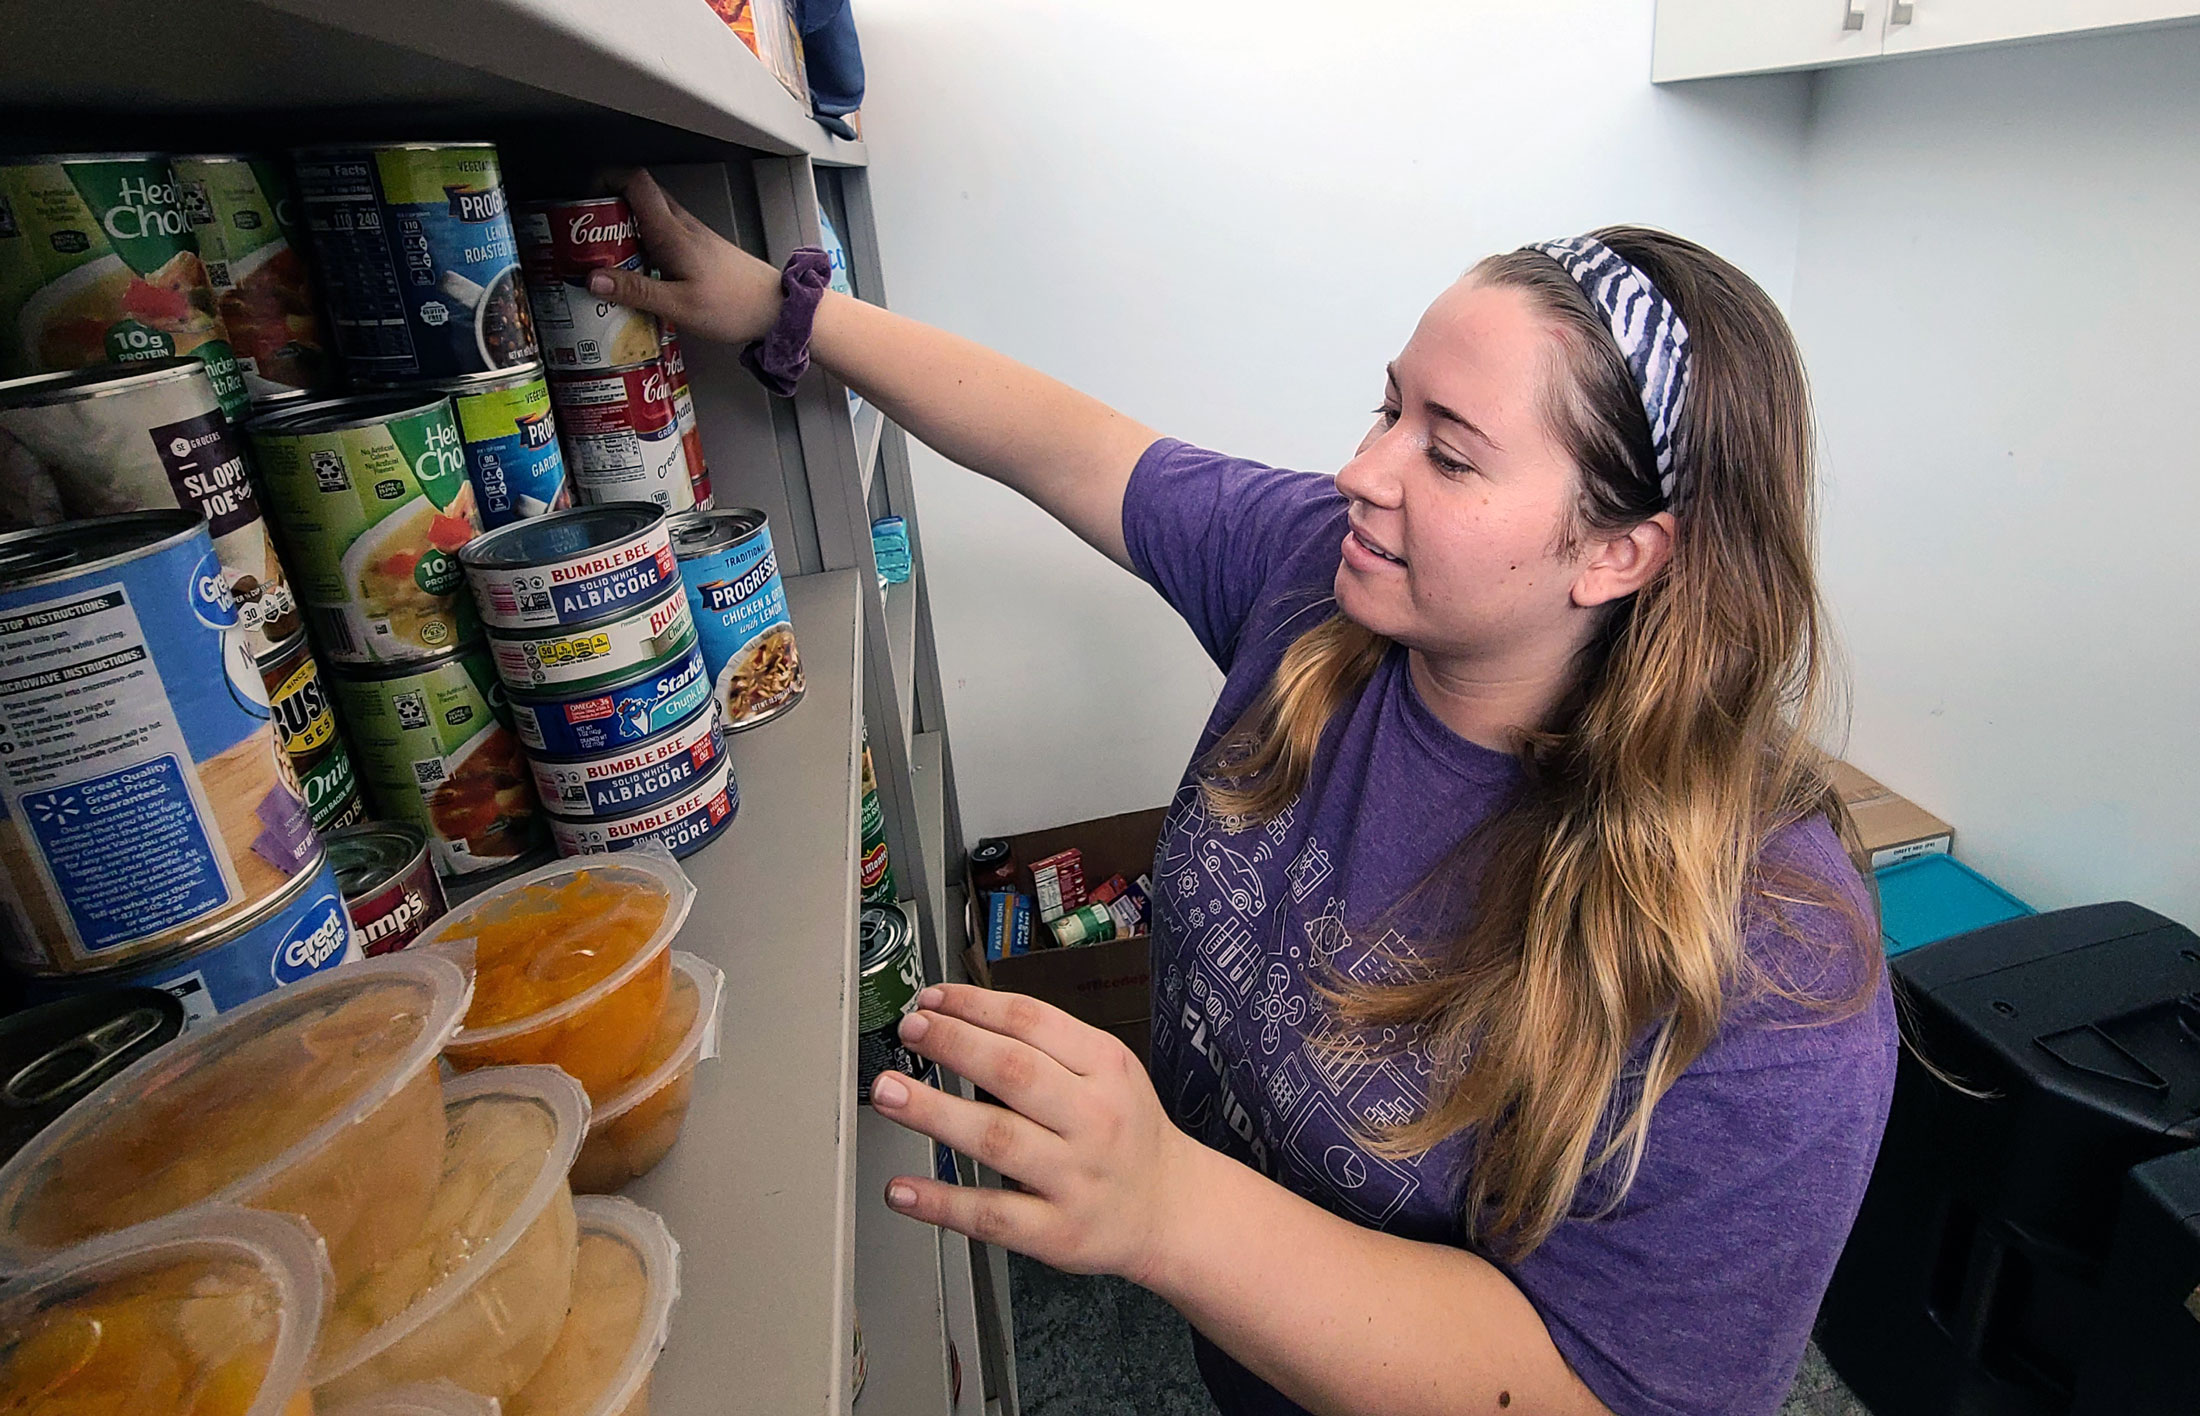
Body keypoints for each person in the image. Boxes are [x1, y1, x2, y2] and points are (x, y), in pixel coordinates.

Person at [594, 171, 1896, 1416]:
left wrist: (1168, 1208)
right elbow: (1072, 444)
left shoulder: (1773, 965)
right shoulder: (1318, 579)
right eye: (1389, 408)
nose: (1361, 472)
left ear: (1615, 552)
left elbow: (1606, 1390)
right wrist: (791, 310)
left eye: (1448, 455)